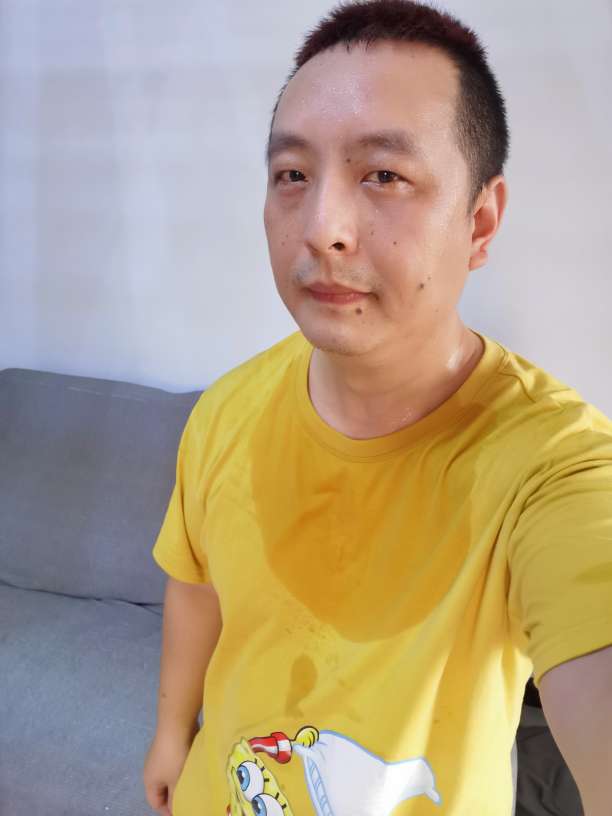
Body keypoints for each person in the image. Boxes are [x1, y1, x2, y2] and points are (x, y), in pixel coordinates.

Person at [142, 1, 612, 814]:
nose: (321, 228)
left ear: (480, 221)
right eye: (293, 175)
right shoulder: (225, 410)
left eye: (384, 175)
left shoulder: (553, 468)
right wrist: (170, 733)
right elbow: (197, 586)